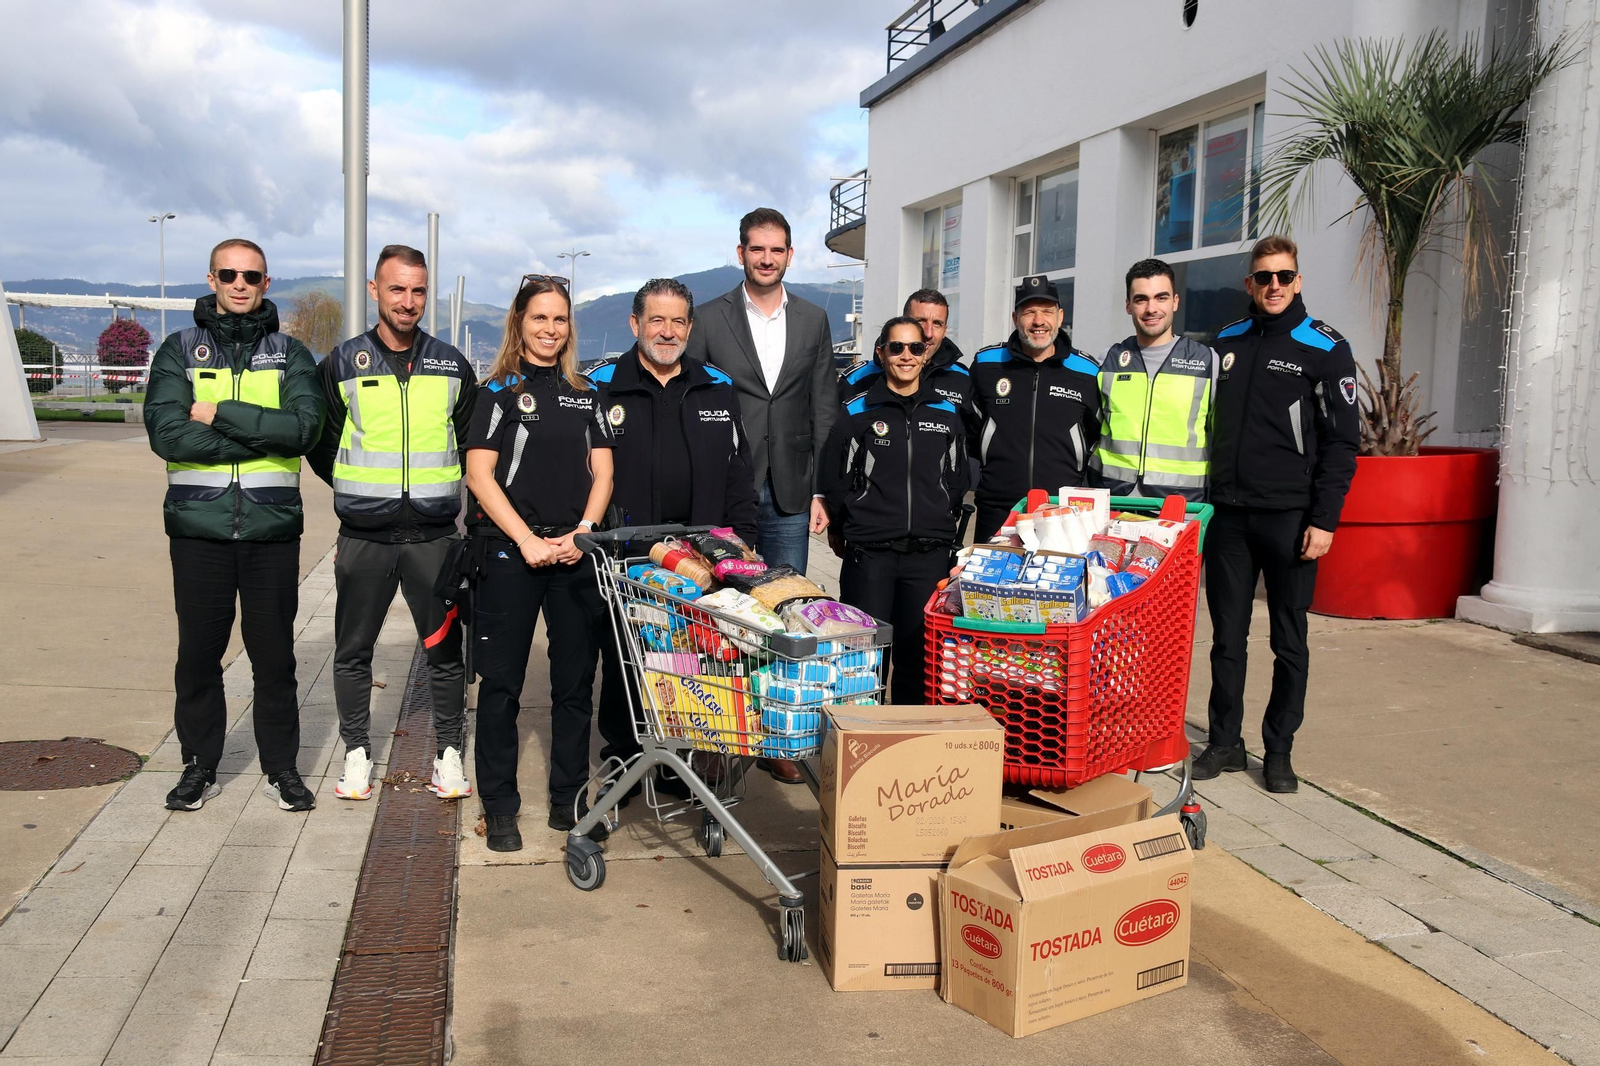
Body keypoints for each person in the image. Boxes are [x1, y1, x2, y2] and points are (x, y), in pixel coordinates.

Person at [144, 238, 323, 812]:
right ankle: (199, 766)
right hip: (199, 532)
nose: (240, 284)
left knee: (274, 659)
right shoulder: (179, 349)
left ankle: (282, 769)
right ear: (212, 278)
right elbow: (166, 435)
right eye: (230, 274)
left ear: (266, 283)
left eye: (252, 276)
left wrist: (217, 412)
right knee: (198, 656)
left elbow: (302, 432)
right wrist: (255, 436)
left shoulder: (290, 353)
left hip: (271, 532)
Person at [309, 245, 477, 803]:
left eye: (418, 290)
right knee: (354, 650)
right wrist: (361, 493)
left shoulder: (452, 364)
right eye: (397, 289)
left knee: (445, 654)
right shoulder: (341, 362)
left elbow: (474, 446)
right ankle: (356, 754)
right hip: (364, 539)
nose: (408, 301)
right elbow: (321, 442)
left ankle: (448, 755)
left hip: (433, 539)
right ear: (375, 290)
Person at [1195, 235, 1359, 794]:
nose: (1273, 286)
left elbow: (1342, 444)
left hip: (1291, 521)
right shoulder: (1226, 341)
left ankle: (1280, 750)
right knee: (1226, 640)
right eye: (1263, 276)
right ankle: (1224, 743)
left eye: (1283, 276)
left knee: (1289, 641)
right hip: (1229, 519)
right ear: (1249, 283)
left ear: (1298, 281)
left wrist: (1326, 519)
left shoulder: (1325, 347)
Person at [585, 278, 759, 798]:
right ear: (636, 324)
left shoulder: (716, 388)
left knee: (686, 661)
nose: (667, 331)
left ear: (689, 327)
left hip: (697, 562)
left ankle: (675, 761)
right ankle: (622, 758)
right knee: (625, 661)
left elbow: (739, 475)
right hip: (628, 556)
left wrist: (740, 544)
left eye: (678, 321)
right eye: (656, 320)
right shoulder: (601, 386)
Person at [463, 275, 615, 852]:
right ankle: (499, 805)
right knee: (500, 686)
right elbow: (479, 475)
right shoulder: (498, 391)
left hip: (574, 554)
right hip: (510, 554)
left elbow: (602, 472)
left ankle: (569, 800)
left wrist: (584, 531)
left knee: (575, 685)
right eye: (539, 318)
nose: (550, 329)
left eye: (559, 319)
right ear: (519, 322)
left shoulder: (586, 392)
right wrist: (526, 539)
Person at [822, 317, 968, 704]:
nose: (906, 356)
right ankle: (861, 745)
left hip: (928, 557)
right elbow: (836, 480)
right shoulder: (856, 412)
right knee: (862, 659)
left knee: (917, 661)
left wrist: (935, 521)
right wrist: (852, 522)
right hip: (870, 556)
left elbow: (956, 481)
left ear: (926, 354)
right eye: (897, 347)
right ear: (881, 352)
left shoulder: (946, 413)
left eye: (915, 348)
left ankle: (907, 746)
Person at [684, 208, 836, 577]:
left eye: (776, 250)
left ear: (790, 254)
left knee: (786, 595)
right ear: (741, 254)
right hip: (726, 485)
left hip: (792, 492)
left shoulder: (813, 319)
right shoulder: (706, 318)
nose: (767, 260)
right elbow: (689, 405)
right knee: (726, 600)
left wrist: (822, 492)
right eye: (757, 250)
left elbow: (824, 408)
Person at [965, 275, 1103, 542]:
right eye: (1029, 312)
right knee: (990, 584)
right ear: (1016, 319)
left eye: (1047, 312)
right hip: (998, 507)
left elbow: (1096, 434)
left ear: (1060, 317)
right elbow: (971, 427)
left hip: (1061, 510)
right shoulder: (986, 364)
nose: (1038, 321)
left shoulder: (1086, 371)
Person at [1092, 258, 1216, 500]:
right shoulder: (1106, 361)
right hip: (1113, 500)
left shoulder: (1207, 362)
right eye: (1141, 299)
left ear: (1175, 302)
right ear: (1128, 305)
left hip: (1181, 505)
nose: (1151, 309)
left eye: (1161, 297)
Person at [839, 289, 970, 409]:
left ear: (945, 330)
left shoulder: (961, 378)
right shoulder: (857, 379)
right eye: (920, 321)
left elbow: (973, 432)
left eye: (937, 323)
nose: (928, 333)